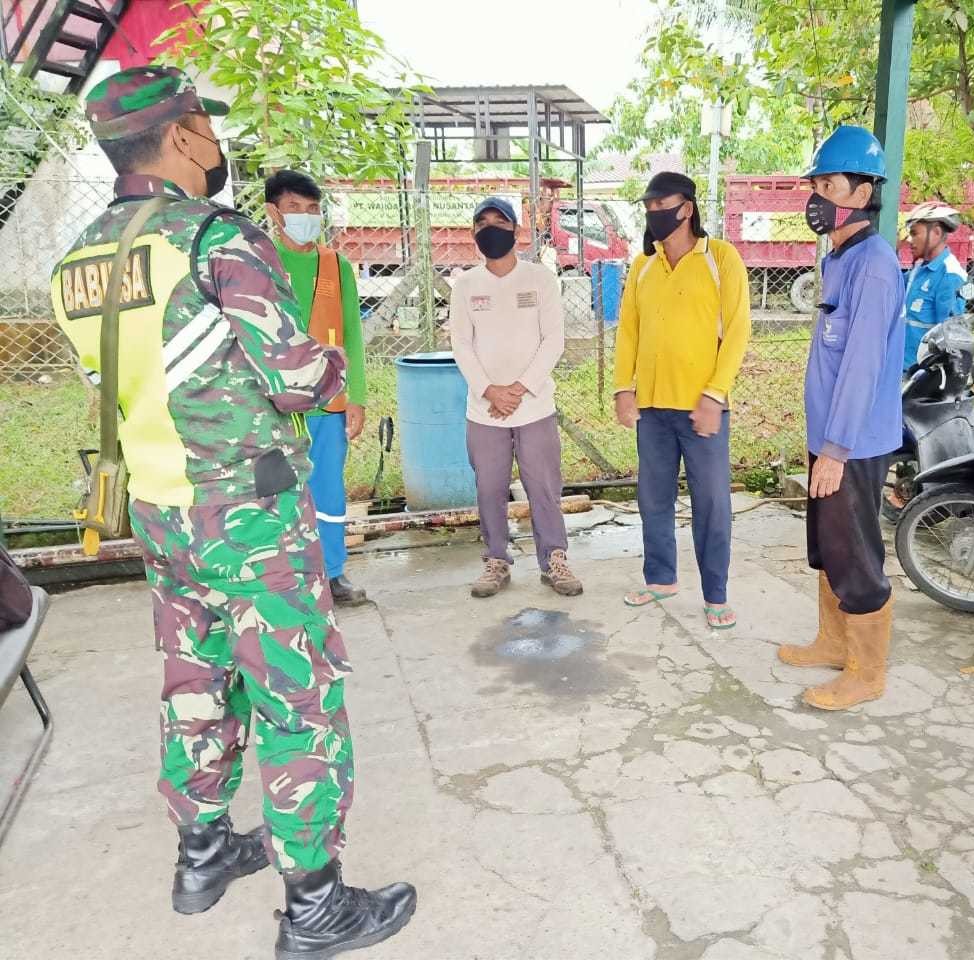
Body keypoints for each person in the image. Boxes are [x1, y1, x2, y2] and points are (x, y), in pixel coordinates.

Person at [50, 66, 414, 958]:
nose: (216, 145)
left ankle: (204, 854)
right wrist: (335, 371)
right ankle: (317, 907)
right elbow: (294, 379)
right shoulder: (217, 240)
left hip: (161, 511)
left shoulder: (80, 261)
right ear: (180, 138)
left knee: (195, 680)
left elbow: (119, 382)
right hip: (247, 510)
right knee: (298, 694)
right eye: (205, 129)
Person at [777, 125, 905, 711]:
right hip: (828, 436)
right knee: (828, 545)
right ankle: (833, 642)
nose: (818, 196)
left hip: (850, 443)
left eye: (830, 184)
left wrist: (835, 450)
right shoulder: (840, 257)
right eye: (817, 184)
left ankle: (866, 670)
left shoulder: (873, 265)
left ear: (861, 193)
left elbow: (861, 367)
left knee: (855, 553)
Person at [613, 172, 751, 630]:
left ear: (687, 208)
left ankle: (717, 593)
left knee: (711, 503)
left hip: (702, 407)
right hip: (652, 406)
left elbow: (737, 331)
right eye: (648, 207)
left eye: (662, 205)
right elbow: (628, 330)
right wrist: (622, 388)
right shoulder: (642, 266)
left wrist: (715, 394)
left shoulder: (721, 259)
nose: (654, 214)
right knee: (652, 496)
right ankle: (661, 578)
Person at [449, 197, 582, 599]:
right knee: (489, 487)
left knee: (543, 486)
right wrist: (491, 391)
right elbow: (461, 344)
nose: (490, 228)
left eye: (499, 221)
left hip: (534, 406)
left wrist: (519, 389)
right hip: (485, 409)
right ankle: (495, 560)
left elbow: (553, 340)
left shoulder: (540, 278)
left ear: (517, 232)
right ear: (474, 234)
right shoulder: (466, 286)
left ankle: (555, 559)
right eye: (482, 222)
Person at [264, 169, 368, 605]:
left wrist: (357, 397)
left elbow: (352, 334)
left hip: (328, 403)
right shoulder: (255, 260)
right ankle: (282, 578)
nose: (305, 217)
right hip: (272, 405)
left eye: (312, 210)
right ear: (273, 212)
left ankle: (333, 574)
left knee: (327, 489)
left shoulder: (335, 264)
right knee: (275, 493)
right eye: (294, 209)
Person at [901, 201, 967, 371]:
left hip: (922, 376)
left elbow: (950, 335)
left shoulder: (949, 275)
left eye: (915, 233)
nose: (910, 240)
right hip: (900, 368)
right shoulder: (919, 268)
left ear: (936, 233)